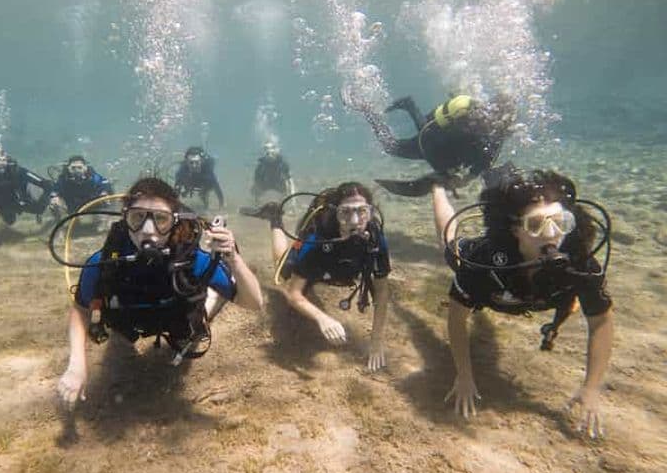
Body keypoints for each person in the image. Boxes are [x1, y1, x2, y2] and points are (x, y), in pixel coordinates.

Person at [434, 168, 613, 438]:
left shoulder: (581, 264)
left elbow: (601, 322)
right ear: (515, 229)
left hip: (522, 297)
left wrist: (592, 387)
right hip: (495, 288)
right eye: (536, 224)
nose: (552, 234)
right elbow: (457, 317)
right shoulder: (484, 261)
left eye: (560, 221)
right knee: (447, 245)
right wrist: (464, 374)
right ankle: (437, 187)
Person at [57, 177, 262, 410]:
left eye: (160, 220)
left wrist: (234, 260)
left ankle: (217, 296)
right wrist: (77, 366)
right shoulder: (104, 262)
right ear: (125, 218)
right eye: (137, 217)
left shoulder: (192, 260)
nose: (147, 231)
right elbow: (81, 310)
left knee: (195, 327)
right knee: (119, 343)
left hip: (176, 317)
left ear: (174, 222)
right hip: (130, 320)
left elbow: (254, 303)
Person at [240, 182, 391, 372]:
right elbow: (292, 293)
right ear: (335, 212)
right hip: (321, 260)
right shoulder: (317, 237)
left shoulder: (376, 238)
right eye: (345, 212)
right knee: (283, 268)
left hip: (341, 271)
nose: (354, 221)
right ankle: (275, 218)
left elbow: (382, 291)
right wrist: (322, 318)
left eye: (362, 211)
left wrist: (376, 341)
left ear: (371, 211)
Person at [347, 92, 516, 196]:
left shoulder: (496, 137)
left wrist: (464, 179)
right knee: (390, 146)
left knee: (403, 141)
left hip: (446, 152)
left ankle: (409, 105)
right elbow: (429, 138)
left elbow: (481, 165)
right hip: (431, 143)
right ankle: (369, 110)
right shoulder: (468, 123)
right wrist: (444, 172)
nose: (494, 126)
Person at [49, 155, 113, 214]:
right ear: (68, 168)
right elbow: (55, 189)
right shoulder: (64, 178)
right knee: (55, 204)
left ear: (85, 168)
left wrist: (104, 192)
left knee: (104, 201)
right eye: (73, 168)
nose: (77, 171)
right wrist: (54, 198)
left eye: (80, 167)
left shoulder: (92, 176)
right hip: (72, 203)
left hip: (90, 201)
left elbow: (105, 183)